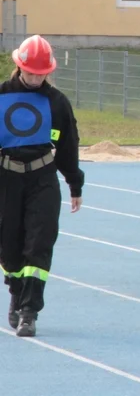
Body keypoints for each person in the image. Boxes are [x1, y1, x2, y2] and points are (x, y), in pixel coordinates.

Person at [0, 35, 84, 337]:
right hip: (6, 178)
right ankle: (16, 290)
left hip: (42, 178)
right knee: (9, 248)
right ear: (19, 67)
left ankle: (29, 310)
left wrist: (74, 182)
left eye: (41, 73)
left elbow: (67, 145)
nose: (36, 78)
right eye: (31, 71)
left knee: (39, 243)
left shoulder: (56, 101)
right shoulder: (1, 95)